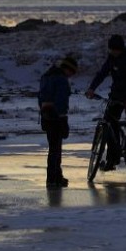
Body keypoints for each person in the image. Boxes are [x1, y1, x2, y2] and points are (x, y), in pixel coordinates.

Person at [85, 35, 126, 181]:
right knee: (109, 124)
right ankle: (112, 160)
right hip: (116, 96)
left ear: (120, 48)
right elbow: (102, 74)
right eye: (111, 50)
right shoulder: (111, 59)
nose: (113, 52)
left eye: (115, 50)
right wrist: (92, 88)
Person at [39, 56, 78, 189]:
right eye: (71, 73)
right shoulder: (61, 79)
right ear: (67, 69)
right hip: (57, 116)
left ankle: (55, 176)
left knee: (53, 147)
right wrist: (63, 118)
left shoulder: (46, 76)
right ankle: (53, 178)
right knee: (56, 149)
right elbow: (61, 100)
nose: (71, 76)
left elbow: (41, 97)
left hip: (45, 114)